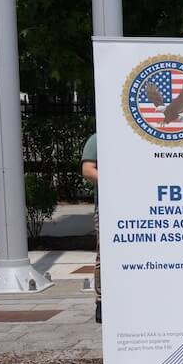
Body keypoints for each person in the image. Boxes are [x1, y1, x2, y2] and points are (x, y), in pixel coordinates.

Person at [80, 133, 100, 323]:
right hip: (107, 210)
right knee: (104, 257)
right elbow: (88, 170)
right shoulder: (97, 138)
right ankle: (102, 301)